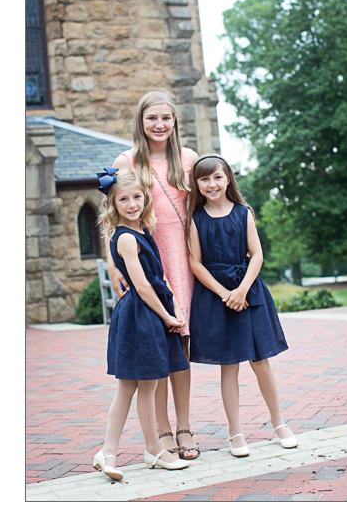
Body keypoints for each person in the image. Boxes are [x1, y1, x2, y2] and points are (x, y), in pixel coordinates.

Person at [107, 91, 201, 460]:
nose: (159, 124)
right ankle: (161, 432)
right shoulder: (126, 160)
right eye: (151, 118)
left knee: (182, 347)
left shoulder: (189, 160)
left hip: (183, 260)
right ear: (140, 122)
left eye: (166, 117)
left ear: (175, 120)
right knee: (157, 350)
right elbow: (112, 214)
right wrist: (114, 263)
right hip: (145, 262)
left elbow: (204, 208)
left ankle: (185, 427)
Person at [185, 154, 297, 457]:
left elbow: (257, 254)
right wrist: (226, 293)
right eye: (204, 179)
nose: (211, 184)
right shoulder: (195, 219)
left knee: (261, 363)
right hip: (216, 296)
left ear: (228, 179)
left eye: (217, 177)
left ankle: (280, 424)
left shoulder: (244, 212)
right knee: (229, 366)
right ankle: (235, 433)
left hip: (250, 292)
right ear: (197, 183)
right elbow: (195, 262)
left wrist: (242, 289)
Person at [92, 168, 191, 480]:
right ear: (114, 204)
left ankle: (153, 449)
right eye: (124, 199)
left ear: (145, 198)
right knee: (128, 387)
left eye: (137, 196)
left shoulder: (144, 232)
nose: (132, 203)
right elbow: (142, 286)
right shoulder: (124, 238)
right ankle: (109, 451)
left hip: (155, 312)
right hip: (140, 316)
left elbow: (160, 278)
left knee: (147, 386)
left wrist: (174, 307)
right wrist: (165, 316)